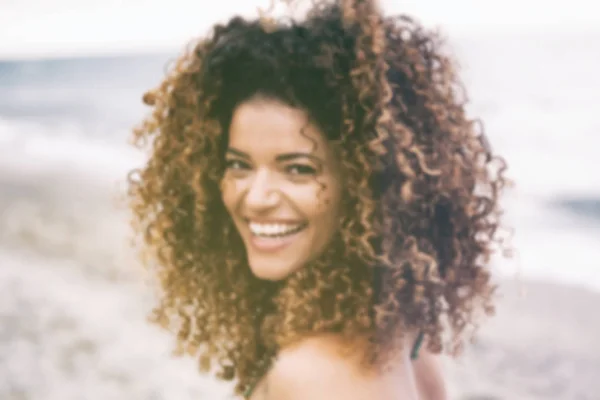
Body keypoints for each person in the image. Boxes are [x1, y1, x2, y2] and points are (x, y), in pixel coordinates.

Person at [127, 0, 509, 398]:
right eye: (238, 164)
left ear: (364, 186)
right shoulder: (405, 336)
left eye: (298, 169)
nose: (255, 198)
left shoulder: (311, 373)